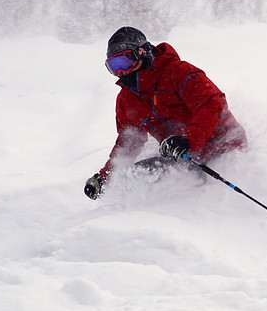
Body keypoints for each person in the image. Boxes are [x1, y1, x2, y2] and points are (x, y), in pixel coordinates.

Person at [84, 27, 247, 200]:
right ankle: (138, 218)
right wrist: (104, 178)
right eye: (114, 67)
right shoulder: (127, 98)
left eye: (125, 62)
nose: (122, 72)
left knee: (148, 179)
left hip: (223, 147)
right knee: (137, 176)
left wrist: (188, 139)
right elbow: (129, 142)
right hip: (187, 158)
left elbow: (211, 104)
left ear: (141, 52)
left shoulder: (179, 72)